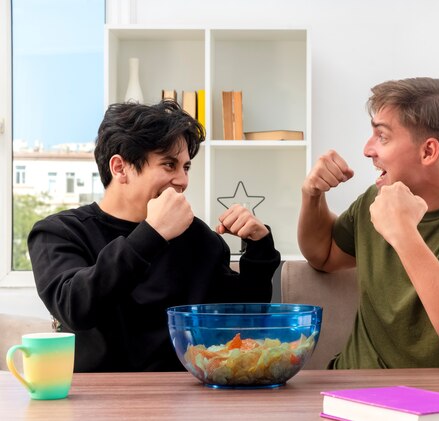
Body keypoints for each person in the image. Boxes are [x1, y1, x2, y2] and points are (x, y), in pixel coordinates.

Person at [298, 77, 439, 372]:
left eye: (382, 137)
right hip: (353, 396)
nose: (367, 149)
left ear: (428, 151)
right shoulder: (377, 198)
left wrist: (404, 234)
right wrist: (312, 196)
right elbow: (325, 254)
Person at [28, 100, 281, 372]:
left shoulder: (198, 237)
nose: (183, 180)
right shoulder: (59, 232)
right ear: (120, 168)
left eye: (186, 167)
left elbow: (242, 318)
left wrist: (260, 246)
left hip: (182, 400)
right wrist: (152, 234)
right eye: (169, 165)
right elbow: (75, 308)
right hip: (95, 401)